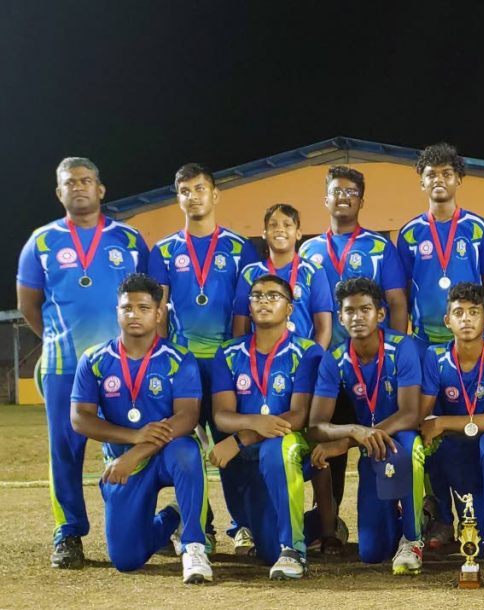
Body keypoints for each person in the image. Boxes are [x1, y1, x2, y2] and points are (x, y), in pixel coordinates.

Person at [17, 156, 149, 569]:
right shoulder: (41, 242)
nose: (79, 187)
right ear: (59, 193)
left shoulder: (129, 240)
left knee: (129, 442)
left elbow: (148, 299)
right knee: (65, 451)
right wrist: (58, 341)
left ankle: (135, 522)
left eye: (87, 180)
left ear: (101, 189)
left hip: (120, 366)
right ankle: (69, 532)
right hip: (64, 367)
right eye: (70, 182)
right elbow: (28, 305)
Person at [69, 273, 210, 584]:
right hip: (122, 464)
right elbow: (80, 418)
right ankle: (174, 516)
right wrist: (132, 438)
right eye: (127, 307)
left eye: (144, 307)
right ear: (117, 311)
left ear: (159, 313)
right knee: (127, 560)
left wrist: (138, 451)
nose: (134, 314)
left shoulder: (179, 359)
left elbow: (187, 417)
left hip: (164, 454)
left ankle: (194, 546)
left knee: (187, 450)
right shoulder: (94, 359)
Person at [148, 162, 259, 553]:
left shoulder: (239, 246)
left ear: (215, 195)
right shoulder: (163, 250)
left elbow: (248, 311)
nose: (193, 196)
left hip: (227, 364)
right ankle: (201, 527)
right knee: (187, 447)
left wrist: (244, 361)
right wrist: (164, 361)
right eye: (185, 190)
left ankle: (242, 524)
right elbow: (158, 314)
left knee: (231, 446)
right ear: (177, 198)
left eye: (199, 188)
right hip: (183, 365)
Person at [208, 274, 326, 579]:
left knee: (276, 446)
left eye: (274, 296)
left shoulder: (308, 351)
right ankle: (309, 525)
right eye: (257, 296)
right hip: (247, 459)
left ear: (289, 308)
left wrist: (244, 435)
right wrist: (253, 422)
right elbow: (221, 414)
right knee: (265, 549)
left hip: (288, 451)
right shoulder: (229, 353)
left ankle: (295, 549)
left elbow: (299, 415)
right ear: (249, 307)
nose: (264, 301)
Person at [307, 278, 426, 575]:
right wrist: (353, 431)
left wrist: (351, 440)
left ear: (380, 314)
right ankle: (400, 521)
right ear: (340, 317)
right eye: (350, 311)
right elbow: (316, 426)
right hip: (370, 451)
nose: (357, 317)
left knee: (409, 444)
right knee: (372, 553)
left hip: (401, 439)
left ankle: (413, 538)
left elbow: (410, 413)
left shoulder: (402, 347)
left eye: (365, 309)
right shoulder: (334, 359)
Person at [419, 282, 484, 574]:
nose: (466, 319)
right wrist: (434, 425)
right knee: (423, 441)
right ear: (447, 320)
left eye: (474, 312)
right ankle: (437, 517)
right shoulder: (434, 357)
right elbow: (422, 417)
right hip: (454, 447)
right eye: (459, 312)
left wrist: (442, 423)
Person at [397, 143, 484, 344]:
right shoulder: (409, 233)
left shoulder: (479, 227)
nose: (438, 180)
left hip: (469, 336)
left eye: (446, 173)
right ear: (422, 183)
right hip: (423, 338)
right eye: (431, 174)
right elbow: (403, 289)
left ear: (458, 180)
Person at [299, 165, 408, 345]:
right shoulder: (307, 249)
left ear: (361, 202)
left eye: (351, 191)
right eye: (337, 191)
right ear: (326, 200)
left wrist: (395, 348)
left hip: (372, 353)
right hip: (325, 352)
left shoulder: (380, 246)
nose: (343, 196)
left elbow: (397, 302)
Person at [233, 203, 333, 348]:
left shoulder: (314, 271)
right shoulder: (250, 273)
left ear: (298, 233)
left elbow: (324, 328)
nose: (280, 229)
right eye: (273, 225)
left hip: (301, 359)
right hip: (260, 361)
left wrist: (312, 360)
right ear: (264, 233)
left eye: (287, 225)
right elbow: (240, 328)